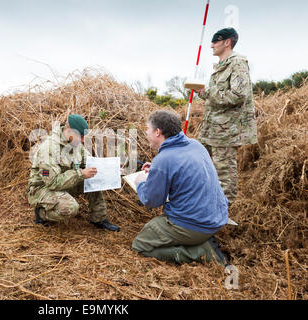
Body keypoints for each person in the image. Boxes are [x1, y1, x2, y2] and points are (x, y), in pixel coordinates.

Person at [132, 110, 229, 265]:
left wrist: (141, 182)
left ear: (158, 132)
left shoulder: (164, 159)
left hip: (195, 224)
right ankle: (200, 241)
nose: (146, 132)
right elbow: (183, 171)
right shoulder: (195, 145)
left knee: (141, 245)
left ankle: (202, 252)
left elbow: (151, 201)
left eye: (147, 129)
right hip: (216, 217)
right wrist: (157, 171)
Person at [27, 114, 120, 232]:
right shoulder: (49, 148)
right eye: (80, 136)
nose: (82, 140)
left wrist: (112, 168)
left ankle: (98, 218)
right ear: (69, 131)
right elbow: (52, 182)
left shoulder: (74, 143)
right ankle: (41, 213)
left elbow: (89, 162)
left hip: (64, 183)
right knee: (70, 208)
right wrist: (81, 174)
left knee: (93, 178)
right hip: (42, 188)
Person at [196, 28, 258, 204]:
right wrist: (203, 92)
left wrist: (209, 92)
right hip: (213, 129)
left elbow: (239, 95)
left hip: (226, 132)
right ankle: (205, 206)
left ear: (227, 42)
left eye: (215, 41)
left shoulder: (237, 63)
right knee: (202, 165)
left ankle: (222, 215)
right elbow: (217, 96)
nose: (211, 45)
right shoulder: (222, 66)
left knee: (225, 176)